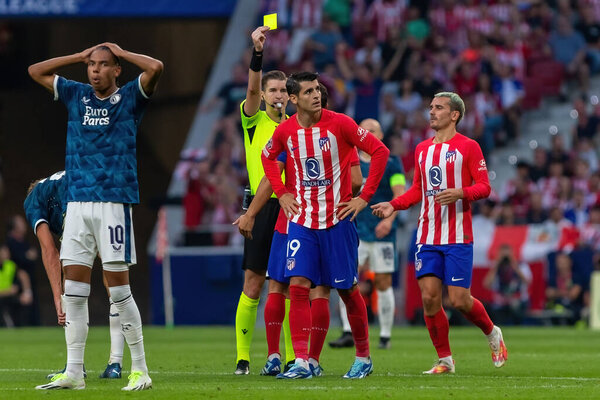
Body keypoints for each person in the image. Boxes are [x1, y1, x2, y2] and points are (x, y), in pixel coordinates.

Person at [28, 42, 163, 390]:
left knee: (118, 290)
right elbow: (35, 71)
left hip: (113, 202)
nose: (95, 70)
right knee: (73, 290)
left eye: (104, 64)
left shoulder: (131, 97)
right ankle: (74, 372)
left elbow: (156, 67)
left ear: (117, 69)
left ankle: (141, 370)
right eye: (92, 65)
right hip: (78, 203)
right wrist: (77, 56)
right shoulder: (76, 95)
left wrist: (122, 51)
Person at [262, 71, 390, 379]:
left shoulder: (341, 123)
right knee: (298, 285)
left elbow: (380, 151)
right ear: (293, 99)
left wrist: (364, 198)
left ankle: (363, 357)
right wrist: (282, 193)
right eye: (308, 92)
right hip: (302, 221)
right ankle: (303, 362)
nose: (316, 95)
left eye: (317, 90)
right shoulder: (287, 130)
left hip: (338, 221)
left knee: (347, 290)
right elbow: (268, 158)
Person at [372, 92, 508, 374]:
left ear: (454, 114)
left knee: (459, 300)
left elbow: (484, 187)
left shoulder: (468, 147)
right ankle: (445, 360)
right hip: (426, 236)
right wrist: (393, 205)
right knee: (430, 299)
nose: (431, 112)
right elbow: (416, 191)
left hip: (458, 236)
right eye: (431, 107)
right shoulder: (422, 149)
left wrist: (461, 192)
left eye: (439, 108)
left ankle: (492, 332)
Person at [235, 83, 364, 377]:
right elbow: (356, 180)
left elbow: (273, 173)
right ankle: (307, 359)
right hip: (319, 215)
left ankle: (278, 356)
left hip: (291, 216)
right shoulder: (325, 134)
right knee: (317, 289)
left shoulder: (294, 133)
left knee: (281, 285)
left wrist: (255, 210)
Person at [24, 171, 126, 380]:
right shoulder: (56, 183)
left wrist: (57, 296)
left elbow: (49, 250)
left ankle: (75, 366)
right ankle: (115, 363)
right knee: (113, 273)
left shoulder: (33, 199)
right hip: (105, 192)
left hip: (77, 201)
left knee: (72, 274)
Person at [233, 26, 290, 375]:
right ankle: (243, 357)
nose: (278, 95)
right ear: (264, 94)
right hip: (259, 204)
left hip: (289, 206)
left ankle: (286, 356)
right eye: (273, 90)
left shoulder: (296, 124)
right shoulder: (253, 120)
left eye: (284, 90)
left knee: (284, 284)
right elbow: (252, 85)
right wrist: (257, 52)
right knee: (253, 284)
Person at [330, 118, 405, 350]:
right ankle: (347, 331)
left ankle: (384, 335)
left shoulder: (392, 163)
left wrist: (390, 221)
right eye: (364, 131)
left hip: (382, 232)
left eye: (373, 131)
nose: (368, 134)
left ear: (381, 136)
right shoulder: (348, 160)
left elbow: (399, 193)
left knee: (383, 283)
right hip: (354, 230)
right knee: (347, 280)